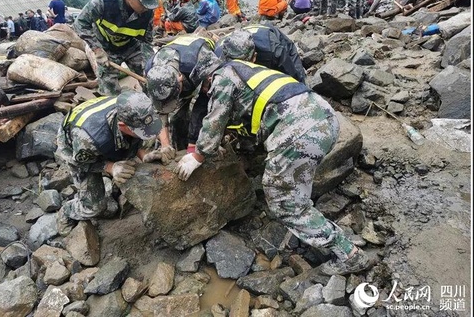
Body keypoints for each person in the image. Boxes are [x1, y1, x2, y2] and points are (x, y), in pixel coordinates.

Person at [175, 30, 371, 276]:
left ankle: (348, 253)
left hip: (300, 130)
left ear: (206, 77)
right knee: (291, 185)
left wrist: (197, 156)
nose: (205, 93)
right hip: (324, 117)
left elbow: (213, 123)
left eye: (203, 88)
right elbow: (252, 117)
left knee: (283, 201)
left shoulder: (222, 78)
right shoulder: (249, 71)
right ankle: (311, 214)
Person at [55, 91, 162, 236]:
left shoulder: (135, 108)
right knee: (94, 207)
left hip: (106, 134)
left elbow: (136, 138)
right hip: (75, 148)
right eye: (139, 131)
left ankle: (111, 185)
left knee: (131, 162)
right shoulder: (89, 140)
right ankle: (67, 212)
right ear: (123, 126)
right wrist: (110, 167)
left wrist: (144, 155)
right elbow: (79, 162)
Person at [74, 0, 158, 96]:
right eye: (143, 4)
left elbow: (147, 42)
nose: (146, 8)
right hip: (106, 48)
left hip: (131, 46)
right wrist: (97, 49)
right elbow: (80, 23)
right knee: (109, 91)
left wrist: (148, 66)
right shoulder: (103, 1)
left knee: (151, 80)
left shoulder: (147, 13)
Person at [144, 34, 222, 154]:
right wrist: (165, 145)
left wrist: (201, 143)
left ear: (180, 79)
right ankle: (177, 146)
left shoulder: (201, 61)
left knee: (204, 106)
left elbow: (204, 105)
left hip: (202, 62)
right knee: (176, 119)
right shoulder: (153, 74)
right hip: (180, 59)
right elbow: (159, 113)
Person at [215, 24, 306, 83]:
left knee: (298, 79)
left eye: (244, 64)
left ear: (254, 57)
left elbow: (291, 73)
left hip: (269, 36)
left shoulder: (274, 50)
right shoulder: (219, 57)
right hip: (241, 35)